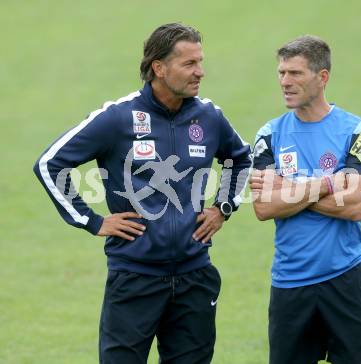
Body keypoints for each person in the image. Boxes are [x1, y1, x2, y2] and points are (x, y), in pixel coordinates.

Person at [33, 23, 251, 364]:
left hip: (195, 277)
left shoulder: (209, 117)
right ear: (159, 68)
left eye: (200, 62)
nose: (200, 72)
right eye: (189, 64)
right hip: (135, 278)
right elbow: (50, 164)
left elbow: (241, 158)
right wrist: (92, 221)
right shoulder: (118, 118)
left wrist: (222, 207)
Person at [250, 35, 361, 364]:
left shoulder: (356, 130)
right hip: (290, 284)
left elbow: (355, 206)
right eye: (281, 73)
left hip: (345, 280)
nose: (285, 82)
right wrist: (328, 183)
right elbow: (264, 207)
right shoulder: (269, 135)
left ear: (322, 77)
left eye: (295, 73)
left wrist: (287, 187)